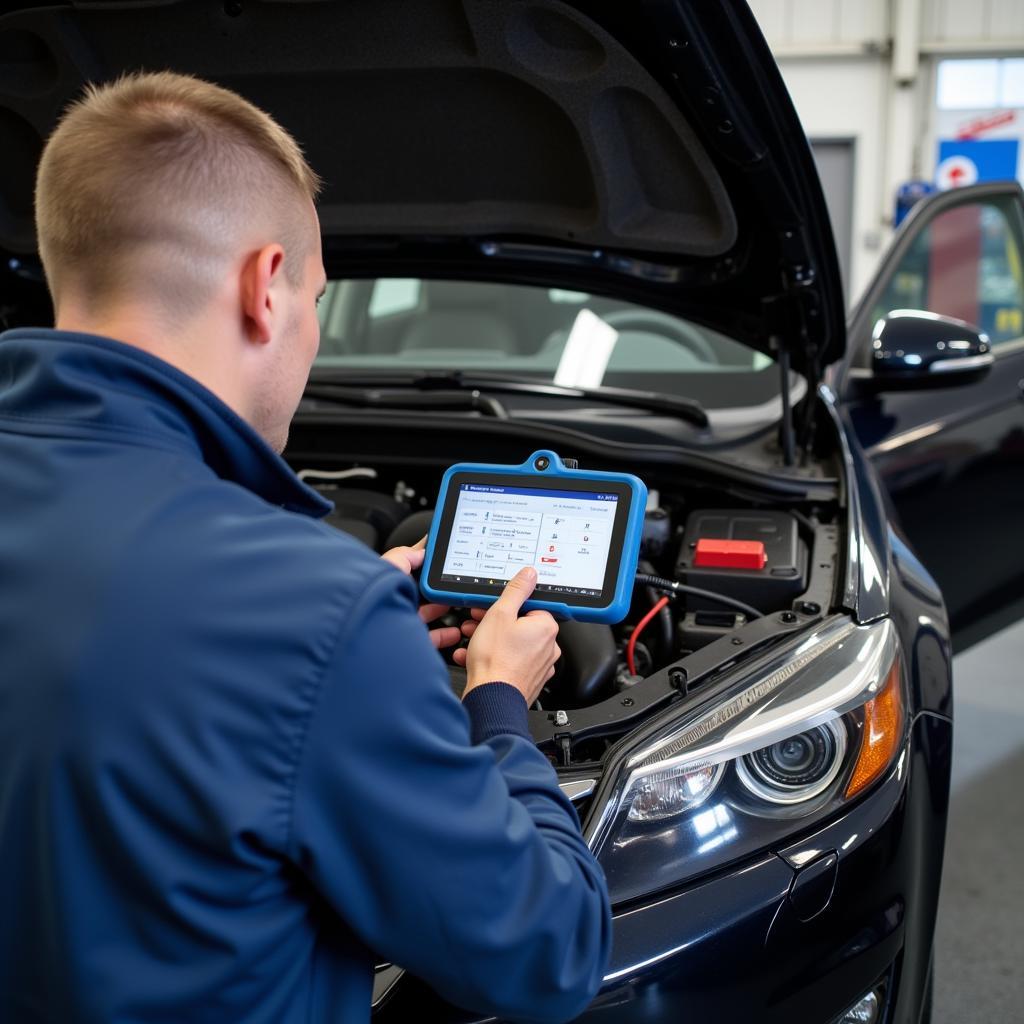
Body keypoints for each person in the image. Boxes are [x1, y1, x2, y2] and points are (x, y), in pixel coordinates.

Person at [0, 71, 611, 1023]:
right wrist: (497, 704)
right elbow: (549, 955)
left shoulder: (313, 608)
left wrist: (345, 624)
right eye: (317, 296)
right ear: (263, 287)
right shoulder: (312, 612)